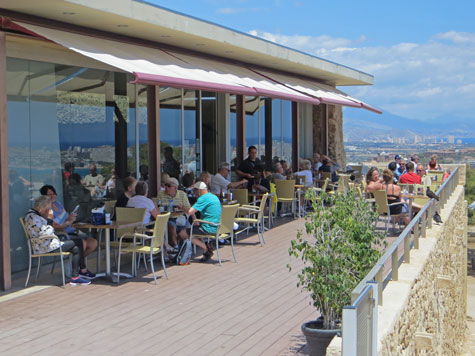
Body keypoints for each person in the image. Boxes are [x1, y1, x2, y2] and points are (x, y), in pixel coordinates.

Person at [23, 195, 92, 285]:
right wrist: (50, 220)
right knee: (78, 242)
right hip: (44, 247)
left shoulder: (34, 215)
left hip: (47, 244)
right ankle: (80, 272)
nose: (49, 211)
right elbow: (46, 233)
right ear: (43, 208)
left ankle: (76, 276)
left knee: (76, 248)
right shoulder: (33, 218)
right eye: (48, 209)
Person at [40, 185, 98, 259]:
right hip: (62, 235)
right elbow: (54, 227)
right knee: (82, 243)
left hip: (71, 231)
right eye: (49, 194)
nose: (52, 196)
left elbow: (66, 217)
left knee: (93, 243)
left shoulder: (58, 204)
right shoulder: (46, 209)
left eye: (53, 193)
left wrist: (71, 217)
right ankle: (78, 267)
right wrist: (68, 222)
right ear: (44, 196)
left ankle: (77, 263)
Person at [185, 181, 221, 262]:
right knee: (196, 229)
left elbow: (190, 212)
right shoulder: (213, 196)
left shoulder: (203, 198)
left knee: (182, 234)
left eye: (194, 191)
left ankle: (206, 248)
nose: (194, 193)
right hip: (217, 226)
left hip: (208, 228)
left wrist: (184, 208)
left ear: (198, 190)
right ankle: (205, 251)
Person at [157, 177, 192, 249]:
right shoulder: (161, 194)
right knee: (172, 226)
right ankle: (176, 247)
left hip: (181, 217)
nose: (166, 187)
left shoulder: (182, 194)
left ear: (175, 188)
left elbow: (189, 209)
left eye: (169, 186)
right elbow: (157, 207)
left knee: (188, 230)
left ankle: (185, 247)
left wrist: (181, 207)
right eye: (165, 185)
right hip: (169, 218)